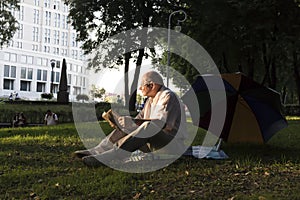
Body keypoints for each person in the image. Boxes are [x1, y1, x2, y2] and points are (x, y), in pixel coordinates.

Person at [74, 71, 188, 166]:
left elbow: (163, 125)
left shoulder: (168, 96)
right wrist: (122, 123)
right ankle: (98, 151)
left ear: (152, 85)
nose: (140, 88)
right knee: (131, 127)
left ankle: (111, 156)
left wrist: (133, 122)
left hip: (172, 146)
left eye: (142, 85)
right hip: (153, 144)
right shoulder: (149, 101)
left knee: (150, 126)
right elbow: (138, 122)